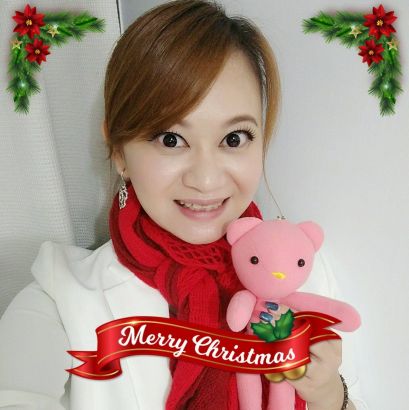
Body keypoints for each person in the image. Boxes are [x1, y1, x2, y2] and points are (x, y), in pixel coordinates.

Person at [0, 1, 368, 409]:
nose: (206, 180)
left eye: (234, 139)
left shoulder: (304, 274)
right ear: (119, 152)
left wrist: (329, 396)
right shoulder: (57, 299)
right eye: (171, 139)